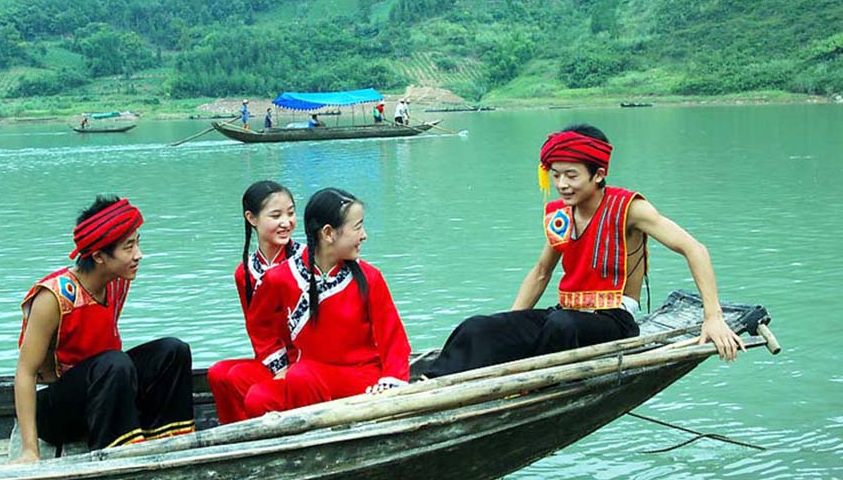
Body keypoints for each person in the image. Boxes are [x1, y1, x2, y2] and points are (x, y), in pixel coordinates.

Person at [426, 124, 746, 378]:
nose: (562, 184)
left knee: (561, 326)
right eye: (556, 175)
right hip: (564, 315)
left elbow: (694, 248)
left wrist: (713, 317)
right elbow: (542, 272)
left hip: (613, 321)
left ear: (598, 174)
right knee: (478, 327)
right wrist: (509, 325)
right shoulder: (560, 214)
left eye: (571, 175)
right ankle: (432, 382)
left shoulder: (628, 208)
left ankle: (524, 384)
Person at [14, 196, 194, 462]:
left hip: (107, 385)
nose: (138, 255)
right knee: (115, 363)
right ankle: (115, 453)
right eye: (128, 247)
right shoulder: (54, 297)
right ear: (98, 256)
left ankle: (167, 443)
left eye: (137, 243)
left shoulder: (117, 280)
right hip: (58, 410)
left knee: (173, 351)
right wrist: (30, 450)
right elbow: (25, 373)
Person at [243, 188, 411, 417]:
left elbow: (394, 341)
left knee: (301, 376)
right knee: (257, 399)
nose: (364, 235)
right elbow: (259, 325)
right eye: (358, 227)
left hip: (360, 378)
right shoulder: (280, 278)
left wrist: (390, 384)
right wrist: (280, 366)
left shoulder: (370, 278)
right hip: (307, 378)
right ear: (329, 233)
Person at [207, 181, 301, 424]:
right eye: (276, 215)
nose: (286, 222)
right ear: (252, 218)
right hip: (275, 359)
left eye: (291, 213)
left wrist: (293, 368)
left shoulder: (306, 260)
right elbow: (257, 329)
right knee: (218, 373)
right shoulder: (245, 272)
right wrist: (279, 368)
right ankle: (234, 434)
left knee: (239, 377)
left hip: (305, 359)